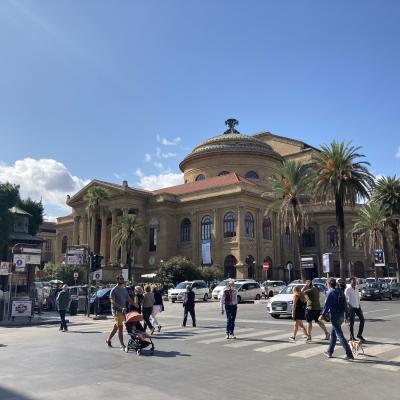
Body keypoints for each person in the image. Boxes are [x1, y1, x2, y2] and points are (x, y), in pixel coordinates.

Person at [319, 278, 354, 360]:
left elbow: (327, 305)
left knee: (339, 335)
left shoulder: (330, 292)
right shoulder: (340, 291)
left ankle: (349, 354)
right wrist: (346, 316)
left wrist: (322, 314)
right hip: (341, 315)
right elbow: (345, 304)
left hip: (335, 316)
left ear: (328, 284)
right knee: (333, 334)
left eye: (326, 284)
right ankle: (329, 352)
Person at [106, 275, 132, 350]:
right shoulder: (113, 290)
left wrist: (135, 304)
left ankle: (108, 340)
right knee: (120, 327)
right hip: (116, 311)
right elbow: (112, 301)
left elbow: (128, 298)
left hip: (122, 311)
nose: (122, 280)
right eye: (121, 279)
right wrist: (121, 307)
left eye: (123, 279)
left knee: (116, 327)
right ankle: (122, 344)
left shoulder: (124, 289)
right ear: (117, 280)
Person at [345, 277, 366, 342]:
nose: (355, 283)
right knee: (352, 322)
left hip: (357, 307)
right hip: (351, 308)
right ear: (350, 282)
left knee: (362, 320)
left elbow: (357, 298)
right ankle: (352, 337)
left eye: (355, 282)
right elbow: (345, 298)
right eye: (353, 282)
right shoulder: (348, 289)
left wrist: (359, 306)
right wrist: (349, 304)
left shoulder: (356, 288)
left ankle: (359, 335)